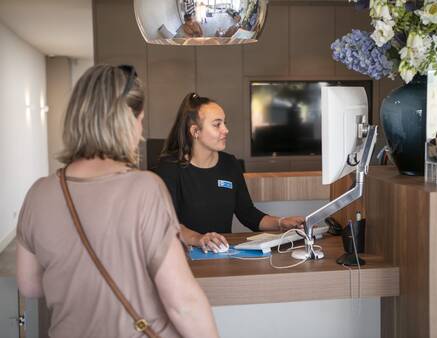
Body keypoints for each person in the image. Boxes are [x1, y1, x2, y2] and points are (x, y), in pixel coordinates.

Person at [16, 65, 219, 338]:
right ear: (128, 121)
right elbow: (182, 302)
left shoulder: (38, 193)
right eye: (141, 121)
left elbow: (29, 285)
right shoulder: (145, 188)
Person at [155, 93, 304, 253]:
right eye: (217, 124)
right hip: (183, 255)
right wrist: (199, 239)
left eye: (224, 123)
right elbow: (170, 224)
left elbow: (248, 214)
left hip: (221, 253)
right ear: (195, 131)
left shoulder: (230, 163)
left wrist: (281, 223)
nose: (226, 130)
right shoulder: (169, 167)